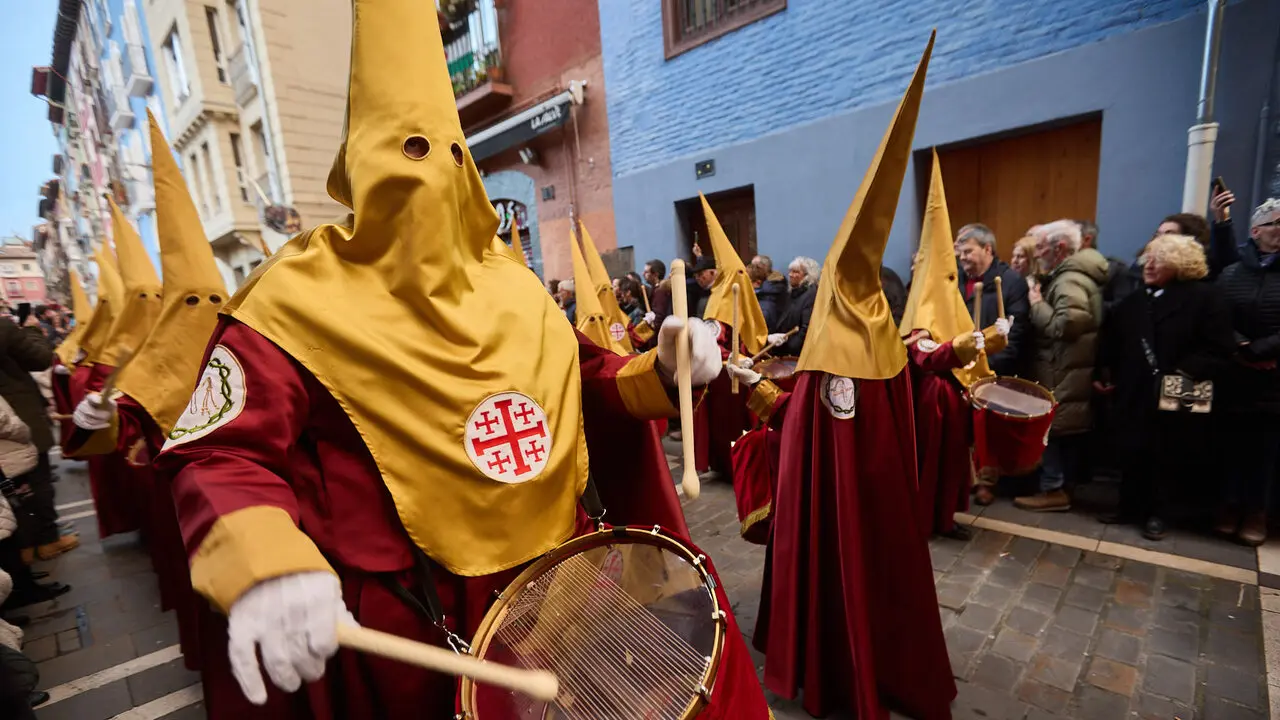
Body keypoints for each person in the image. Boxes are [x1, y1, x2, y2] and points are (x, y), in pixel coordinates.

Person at [154, 5, 768, 717]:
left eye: (444, 155)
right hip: (411, 622)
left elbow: (582, 383)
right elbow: (218, 453)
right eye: (400, 155)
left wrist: (660, 370)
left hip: (559, 587)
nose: (425, 184)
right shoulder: (291, 300)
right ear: (355, 173)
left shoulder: (511, 284)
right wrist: (266, 562)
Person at [740, 35, 955, 720]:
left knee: (841, 562)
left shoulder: (837, 360)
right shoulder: (880, 341)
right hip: (882, 506)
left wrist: (756, 390)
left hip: (847, 502)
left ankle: (839, 667)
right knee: (882, 564)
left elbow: (802, 431)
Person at [902, 151, 1011, 540]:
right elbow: (927, 353)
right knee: (932, 462)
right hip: (931, 398)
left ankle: (945, 515)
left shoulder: (950, 298)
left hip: (951, 396)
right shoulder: (920, 306)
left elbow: (967, 345)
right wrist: (971, 341)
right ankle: (925, 518)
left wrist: (995, 336)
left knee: (952, 461)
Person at [1096, 234, 1232, 540]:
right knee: (1133, 447)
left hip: (1180, 388)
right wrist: (1105, 372)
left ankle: (1160, 513)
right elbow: (1113, 342)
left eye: (1160, 258)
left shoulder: (1206, 299)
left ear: (1181, 264)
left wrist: (1182, 371)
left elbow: (1220, 348)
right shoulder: (1135, 300)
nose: (1149, 264)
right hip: (1135, 389)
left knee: (1170, 452)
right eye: (1148, 257)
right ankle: (1128, 506)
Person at [1015, 219, 1108, 512]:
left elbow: (1066, 325)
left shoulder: (1070, 280)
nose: (1037, 252)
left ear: (1061, 248)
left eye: (1041, 247)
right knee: (1063, 431)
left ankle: (1053, 490)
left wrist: (1036, 303)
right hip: (1067, 368)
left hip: (1062, 369)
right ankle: (1060, 487)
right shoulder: (1073, 274)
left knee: (1053, 430)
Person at [1215, 198, 1280, 546]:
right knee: (1233, 446)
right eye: (1276, 223)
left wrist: (1265, 351)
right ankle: (1229, 505)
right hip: (1237, 374)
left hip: (1275, 378)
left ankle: (1258, 512)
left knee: (1267, 452)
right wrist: (1240, 348)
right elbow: (1219, 315)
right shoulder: (1233, 272)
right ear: (1256, 231)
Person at [0, 312, 68, 563]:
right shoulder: (4, 328)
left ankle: (25, 547)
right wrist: (31, 330)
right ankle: (48, 540)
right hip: (17, 420)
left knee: (14, 489)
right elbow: (40, 358)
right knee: (37, 481)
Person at [955, 223, 1032, 377]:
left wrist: (981, 366)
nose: (962, 257)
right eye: (960, 252)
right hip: (958, 368)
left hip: (993, 374)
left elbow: (1015, 336)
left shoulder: (1011, 282)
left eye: (968, 252)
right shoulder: (955, 279)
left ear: (987, 249)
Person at [1078, 220, 1138, 313]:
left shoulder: (1117, 270)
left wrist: (1083, 304)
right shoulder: (1060, 268)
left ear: (1086, 240)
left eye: (1068, 238)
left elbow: (1123, 308)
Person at [775, 256, 819, 356]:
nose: (790, 275)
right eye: (790, 271)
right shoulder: (793, 293)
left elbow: (806, 327)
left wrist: (791, 349)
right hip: (785, 348)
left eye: (796, 272)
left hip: (797, 354)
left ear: (807, 276)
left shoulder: (811, 295)